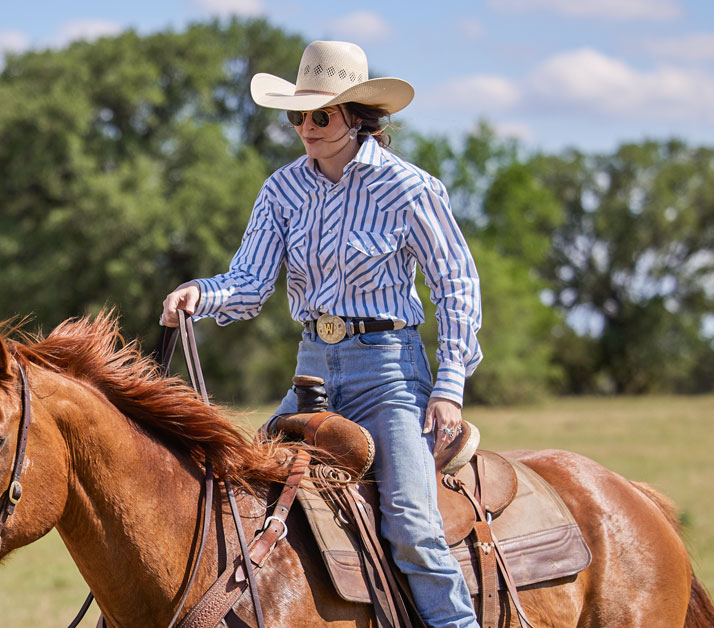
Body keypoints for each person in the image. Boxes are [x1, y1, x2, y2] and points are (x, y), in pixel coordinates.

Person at [160, 40, 483, 628]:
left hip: (389, 372)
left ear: (357, 117)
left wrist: (449, 385)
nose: (306, 127)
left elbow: (456, 285)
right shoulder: (281, 191)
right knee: (234, 494)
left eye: (321, 115)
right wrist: (200, 295)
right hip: (312, 373)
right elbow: (251, 281)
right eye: (297, 115)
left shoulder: (410, 189)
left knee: (411, 523)